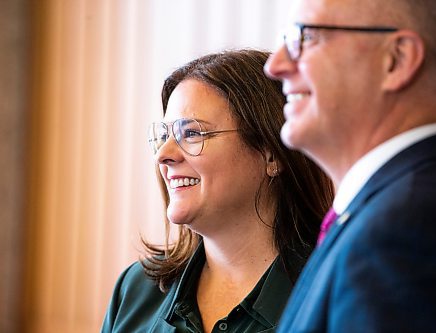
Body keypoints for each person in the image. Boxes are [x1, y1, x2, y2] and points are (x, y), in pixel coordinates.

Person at [264, 0, 436, 332]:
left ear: (397, 60)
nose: (275, 66)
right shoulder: (404, 208)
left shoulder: (407, 230)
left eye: (306, 38)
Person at [101, 49, 334, 332]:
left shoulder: (331, 293)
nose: (163, 155)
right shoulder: (136, 289)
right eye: (164, 136)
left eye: (192, 133)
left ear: (272, 155)